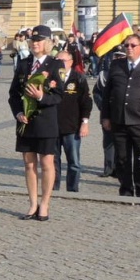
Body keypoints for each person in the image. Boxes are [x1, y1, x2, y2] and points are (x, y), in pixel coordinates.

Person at [8, 25, 63, 221]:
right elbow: (13, 94)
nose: (35, 44)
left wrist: (41, 97)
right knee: (28, 164)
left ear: (47, 43)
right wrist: (17, 113)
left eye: (39, 40)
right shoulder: (23, 64)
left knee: (47, 163)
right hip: (26, 121)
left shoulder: (55, 65)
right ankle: (32, 203)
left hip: (46, 122)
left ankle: (45, 204)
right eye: (33, 40)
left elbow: (59, 96)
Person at [100, 34, 140, 198]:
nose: (129, 48)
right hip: (119, 120)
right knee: (122, 159)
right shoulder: (116, 65)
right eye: (126, 45)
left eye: (132, 45)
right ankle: (126, 189)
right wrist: (105, 117)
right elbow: (107, 94)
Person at [52, 51, 92, 192]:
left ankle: (72, 189)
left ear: (70, 62)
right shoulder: (51, 77)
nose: (60, 63)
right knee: (53, 162)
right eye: (57, 60)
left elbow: (86, 102)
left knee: (74, 162)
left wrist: (85, 122)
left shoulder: (78, 78)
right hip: (52, 126)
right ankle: (53, 188)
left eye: (63, 60)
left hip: (72, 127)